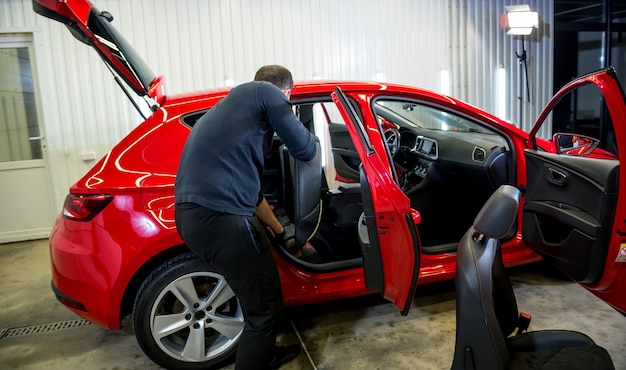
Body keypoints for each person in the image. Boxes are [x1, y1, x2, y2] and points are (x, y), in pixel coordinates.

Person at [174, 65, 317, 369]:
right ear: (286, 92)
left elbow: (253, 196)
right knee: (263, 311)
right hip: (221, 219)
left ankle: (264, 354)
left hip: (196, 218)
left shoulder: (232, 111)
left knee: (263, 297)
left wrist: (280, 231)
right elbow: (305, 149)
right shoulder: (265, 92)